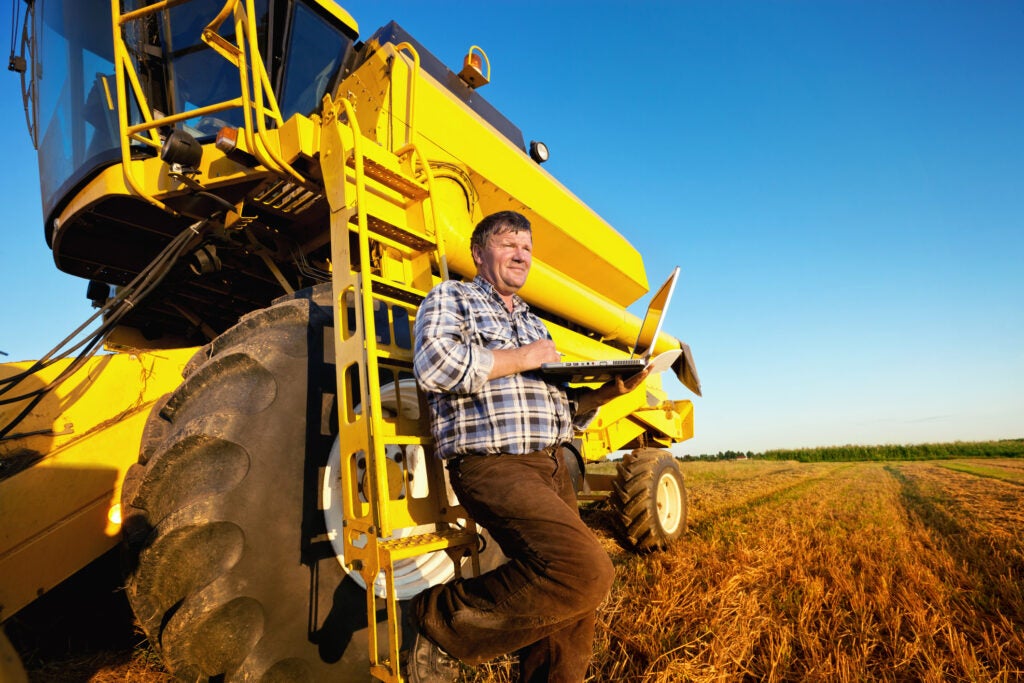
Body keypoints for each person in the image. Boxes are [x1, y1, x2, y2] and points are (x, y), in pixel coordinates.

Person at [406, 210, 649, 682]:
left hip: (553, 461)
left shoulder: (535, 325)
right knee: (585, 572)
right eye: (508, 243)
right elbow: (435, 365)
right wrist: (522, 358)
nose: (521, 254)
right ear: (479, 253)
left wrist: (608, 393)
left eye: (527, 248)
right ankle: (438, 620)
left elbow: (563, 411)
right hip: (494, 463)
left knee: (573, 614)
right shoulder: (451, 299)